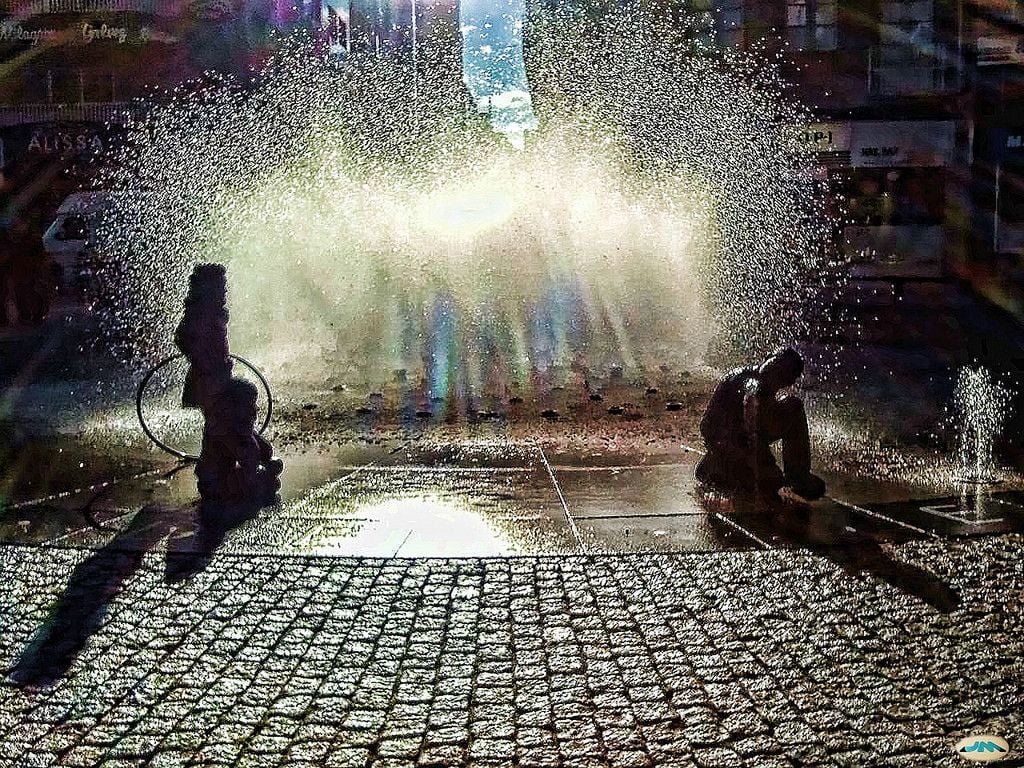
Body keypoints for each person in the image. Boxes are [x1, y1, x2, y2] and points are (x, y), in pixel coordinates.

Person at [695, 347, 826, 506]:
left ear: (788, 381)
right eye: (776, 365)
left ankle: (796, 476)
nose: (775, 372)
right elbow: (749, 413)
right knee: (770, 484)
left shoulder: (756, 382)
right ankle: (721, 468)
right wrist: (763, 464)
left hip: (728, 447)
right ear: (767, 358)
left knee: (792, 406)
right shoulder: (753, 384)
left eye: (782, 372)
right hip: (732, 450)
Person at [195, 377, 283, 523]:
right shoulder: (223, 430)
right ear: (233, 407)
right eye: (250, 405)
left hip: (225, 478)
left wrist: (251, 434)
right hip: (216, 483)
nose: (255, 410)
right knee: (266, 480)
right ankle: (234, 497)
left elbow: (266, 451)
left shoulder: (239, 427)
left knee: (273, 467)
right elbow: (250, 460)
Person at [174, 264, 232, 412]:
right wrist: (203, 362)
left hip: (214, 371)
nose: (225, 290)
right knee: (221, 414)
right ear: (209, 289)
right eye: (221, 285)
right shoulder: (201, 314)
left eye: (224, 284)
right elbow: (182, 337)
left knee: (222, 414)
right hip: (209, 375)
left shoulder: (211, 311)